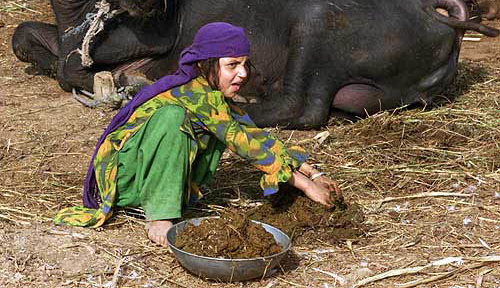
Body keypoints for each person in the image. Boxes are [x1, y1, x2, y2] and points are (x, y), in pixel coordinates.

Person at [54, 22, 341, 246]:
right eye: (232, 65)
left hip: (145, 179)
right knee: (171, 117)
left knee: (204, 124)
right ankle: (159, 218)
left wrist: (312, 173)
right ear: (206, 65)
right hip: (125, 183)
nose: (242, 73)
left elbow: (254, 136)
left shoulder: (214, 97)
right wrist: (305, 187)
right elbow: (242, 145)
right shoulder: (192, 94)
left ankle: (162, 202)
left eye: (244, 64)